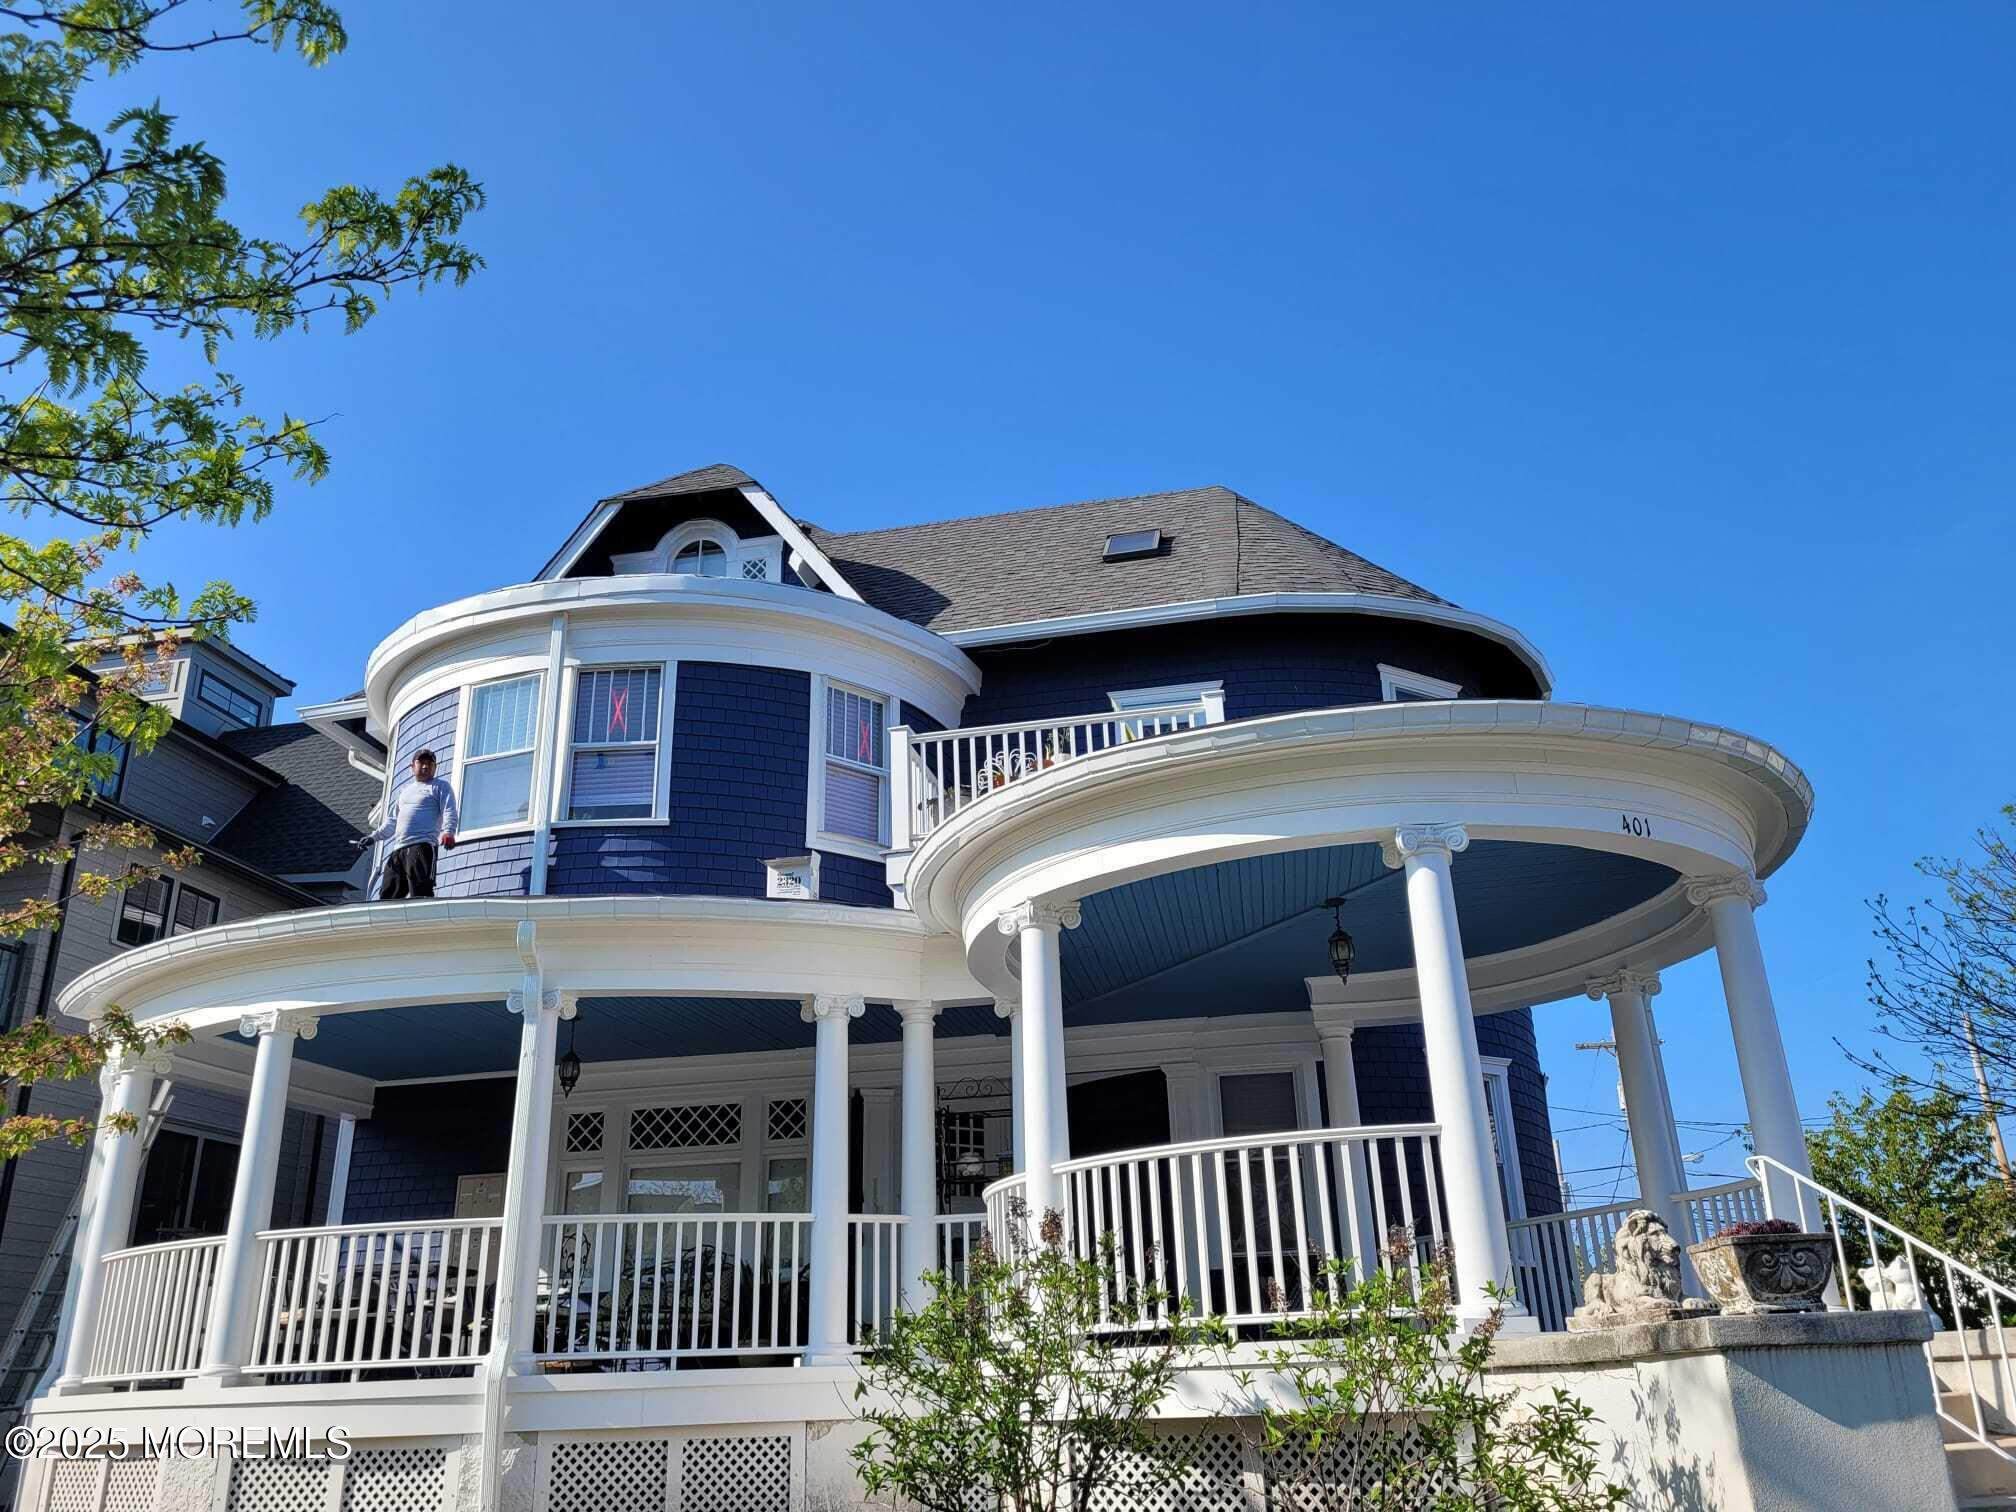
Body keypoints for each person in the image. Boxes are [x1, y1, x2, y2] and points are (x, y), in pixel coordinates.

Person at [358, 749, 459, 899]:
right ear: (412, 766)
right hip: (398, 851)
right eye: (421, 763)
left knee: (420, 893)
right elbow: (392, 822)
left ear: (435, 767)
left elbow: (449, 810)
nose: (425, 766)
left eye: (430, 764)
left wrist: (448, 832)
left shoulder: (440, 787)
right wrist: (373, 837)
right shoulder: (404, 791)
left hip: (422, 847)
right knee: (387, 896)